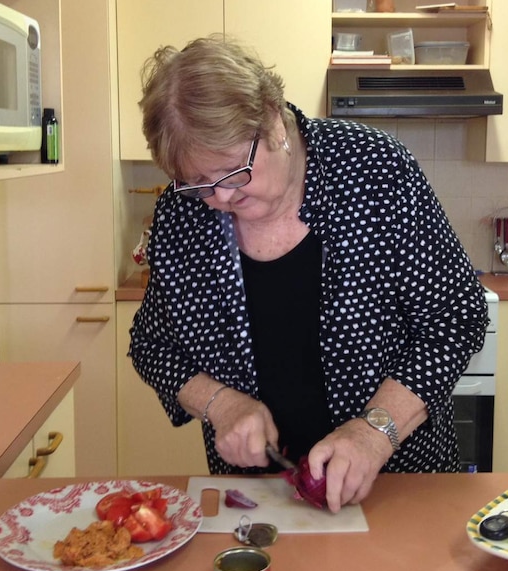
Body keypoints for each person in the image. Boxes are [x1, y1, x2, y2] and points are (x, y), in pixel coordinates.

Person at [128, 35, 489, 513]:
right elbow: (153, 345)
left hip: (395, 486)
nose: (220, 199)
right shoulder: (182, 215)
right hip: (256, 501)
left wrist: (375, 432)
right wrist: (221, 404)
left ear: (274, 119)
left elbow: (456, 318)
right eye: (197, 184)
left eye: (233, 172)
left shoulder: (375, 171)